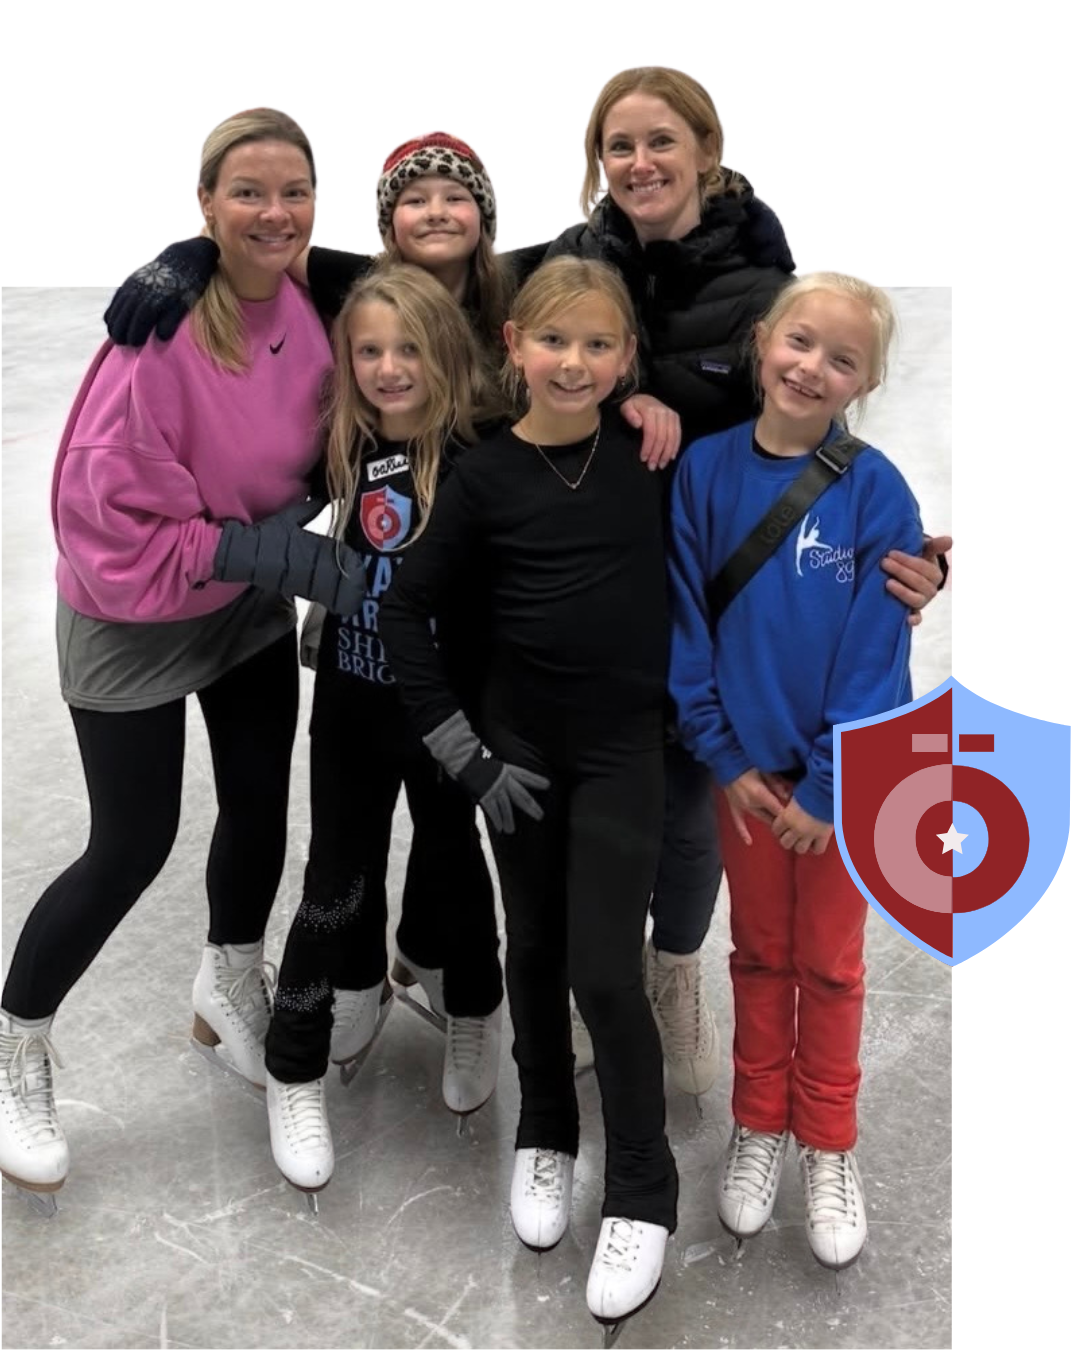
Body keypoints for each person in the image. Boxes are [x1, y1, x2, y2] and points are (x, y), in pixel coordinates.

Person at [538, 65, 951, 1097]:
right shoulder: (573, 262)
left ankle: (672, 971)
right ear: (597, 164)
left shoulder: (767, 284)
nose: (640, 163)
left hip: (713, 603)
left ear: (706, 153)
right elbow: (448, 273)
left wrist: (891, 554)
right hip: (595, 585)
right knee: (595, 804)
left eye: (661, 141)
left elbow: (818, 444)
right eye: (618, 145)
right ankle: (595, 979)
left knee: (687, 815)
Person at [0, 107, 368, 1206]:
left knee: (259, 803)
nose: (276, 212)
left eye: (295, 191)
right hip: (136, 610)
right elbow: (104, 532)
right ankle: (16, 1042)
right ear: (201, 206)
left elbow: (464, 263)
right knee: (131, 840)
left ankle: (227, 978)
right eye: (246, 192)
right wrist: (291, 561)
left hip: (241, 590)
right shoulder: (154, 337)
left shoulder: (316, 298)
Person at [379, 257, 676, 1332]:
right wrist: (466, 753)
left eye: (601, 345)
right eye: (555, 341)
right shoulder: (487, 478)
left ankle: (643, 1186)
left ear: (627, 358)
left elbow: (748, 523)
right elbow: (407, 614)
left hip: (622, 751)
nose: (576, 362)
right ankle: (546, 1128)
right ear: (514, 346)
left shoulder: (651, 457)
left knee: (604, 966)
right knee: (534, 949)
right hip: (516, 754)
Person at [667, 270, 923, 1270]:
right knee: (759, 956)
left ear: (867, 380)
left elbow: (876, 660)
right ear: (765, 340)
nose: (814, 368)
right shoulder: (704, 473)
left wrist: (829, 789)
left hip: (835, 794)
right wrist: (724, 759)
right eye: (801, 343)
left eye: (844, 359)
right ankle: (758, 1125)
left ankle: (826, 1141)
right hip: (744, 785)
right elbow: (687, 626)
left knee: (832, 963)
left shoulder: (878, 491)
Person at [262, 263, 503, 1199]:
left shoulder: (483, 457)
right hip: (352, 714)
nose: (390, 367)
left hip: (445, 717)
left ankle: (477, 1010)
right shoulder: (340, 446)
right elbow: (260, 516)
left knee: (453, 861)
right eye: (370, 349)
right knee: (335, 881)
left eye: (409, 348)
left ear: (446, 352)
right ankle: (292, 1068)